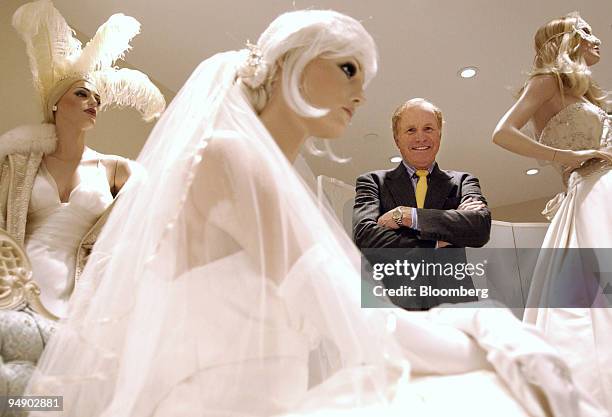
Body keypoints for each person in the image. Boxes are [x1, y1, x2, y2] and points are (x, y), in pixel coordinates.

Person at [28, 9, 603, 417]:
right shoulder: (230, 158)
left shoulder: (270, 173)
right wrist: (491, 336)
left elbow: (471, 230)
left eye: (365, 80)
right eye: (348, 70)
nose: (360, 94)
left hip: (287, 383)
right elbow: (350, 296)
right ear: (294, 65)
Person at [0, 0, 165, 318]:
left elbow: (145, 228)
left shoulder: (117, 169)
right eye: (81, 93)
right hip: (14, 290)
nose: (93, 101)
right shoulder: (19, 164)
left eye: (97, 98)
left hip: (82, 301)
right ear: (55, 104)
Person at [492, 11, 612, 413]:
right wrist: (568, 155)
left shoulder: (586, 97)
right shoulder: (547, 83)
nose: (597, 39)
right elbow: (503, 132)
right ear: (566, 40)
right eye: (587, 32)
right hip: (591, 187)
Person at [353, 98, 491, 308]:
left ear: (439, 135)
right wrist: (436, 242)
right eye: (410, 130)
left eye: (428, 128)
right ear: (396, 139)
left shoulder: (463, 181)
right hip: (397, 306)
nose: (420, 137)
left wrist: (408, 216)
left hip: (456, 306)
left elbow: (479, 228)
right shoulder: (372, 182)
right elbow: (365, 236)